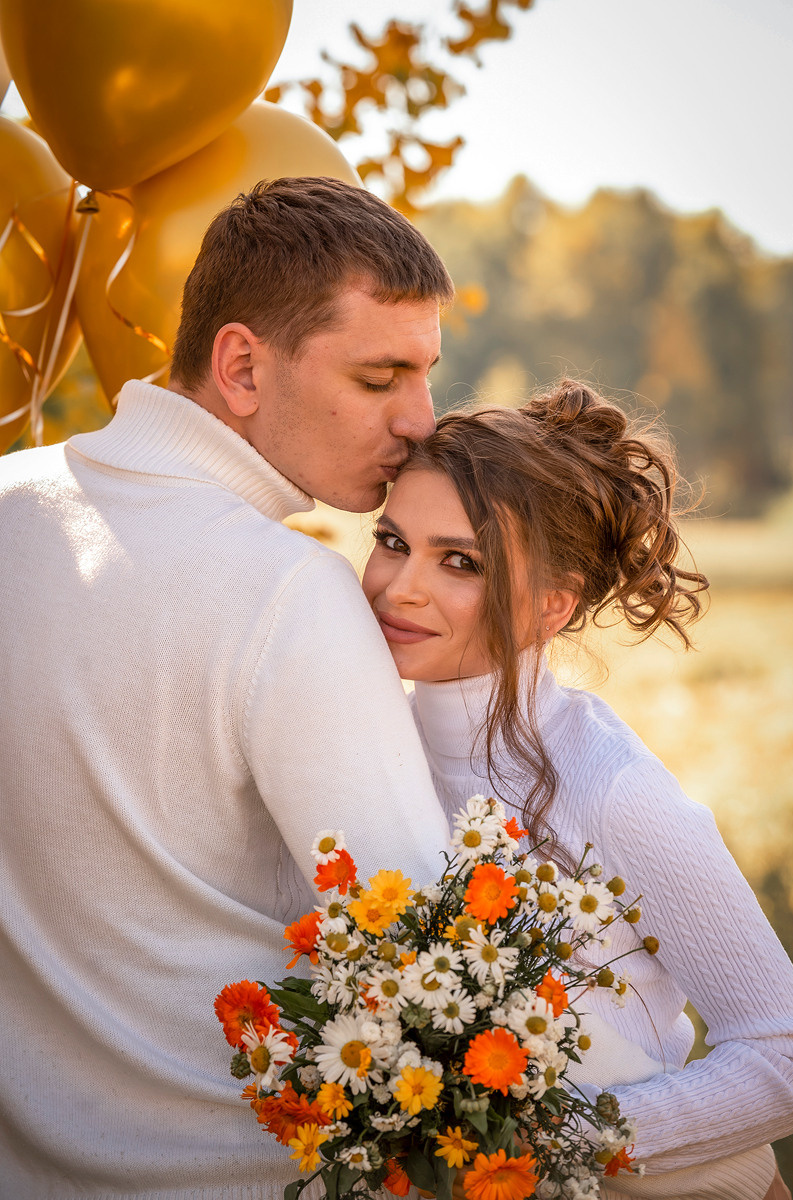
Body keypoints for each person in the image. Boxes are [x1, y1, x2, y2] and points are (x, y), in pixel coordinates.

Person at [0, 177, 456, 1197]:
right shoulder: (289, 592)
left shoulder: (5, 506)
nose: (423, 421)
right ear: (242, 364)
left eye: (427, 374)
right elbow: (432, 953)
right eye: (381, 376)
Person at [361, 379, 793, 1200]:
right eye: (392, 541)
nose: (399, 586)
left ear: (551, 607)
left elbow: (785, 1047)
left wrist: (553, 1141)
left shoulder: (610, 787)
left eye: (460, 562)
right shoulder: (364, 746)